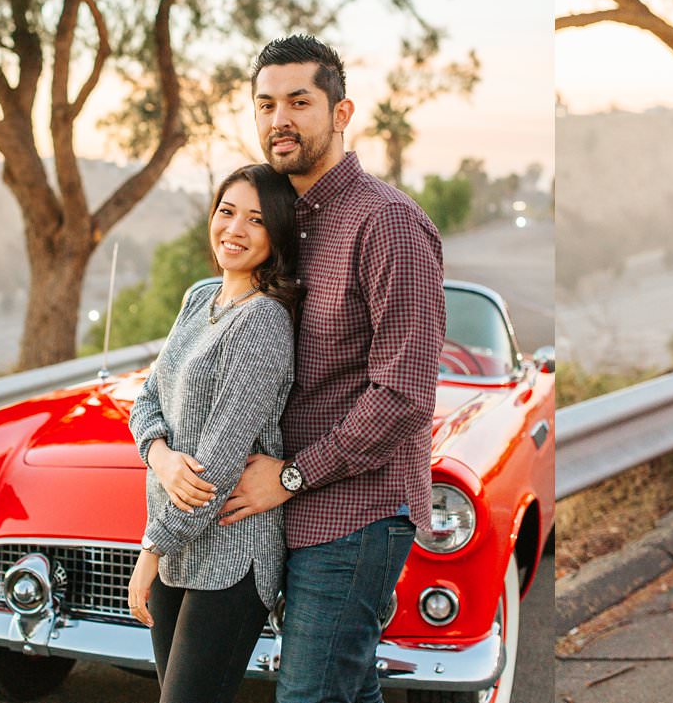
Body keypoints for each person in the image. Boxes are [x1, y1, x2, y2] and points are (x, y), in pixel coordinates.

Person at [214, 34, 447, 703]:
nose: (277, 118)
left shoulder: (387, 223)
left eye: (298, 101)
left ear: (341, 113)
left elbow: (403, 395)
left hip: (357, 512)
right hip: (287, 511)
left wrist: (290, 476)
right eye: (265, 104)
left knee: (310, 697)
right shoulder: (280, 227)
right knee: (344, 690)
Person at [127, 164, 301, 703]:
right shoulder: (199, 297)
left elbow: (220, 465)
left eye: (256, 220)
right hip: (178, 547)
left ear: (275, 237)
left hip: (230, 556)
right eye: (227, 212)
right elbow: (145, 401)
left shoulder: (264, 322)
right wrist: (159, 457)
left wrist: (150, 552)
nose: (235, 229)